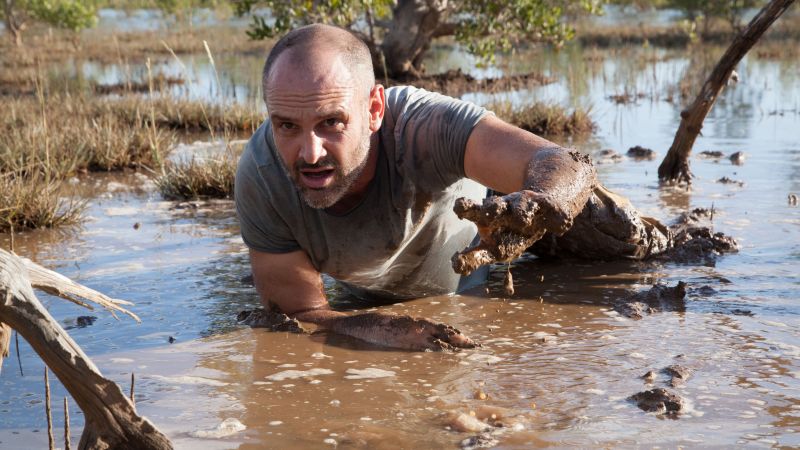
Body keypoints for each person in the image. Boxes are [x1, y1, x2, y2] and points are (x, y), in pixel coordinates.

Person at [234, 24, 667, 351]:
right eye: (287, 126)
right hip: (381, 292)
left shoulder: (422, 127)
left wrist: (534, 208)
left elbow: (564, 163)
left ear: (374, 109)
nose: (309, 153)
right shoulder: (261, 176)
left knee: (625, 236)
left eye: (331, 122)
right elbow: (304, 315)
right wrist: (390, 329)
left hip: (502, 215)